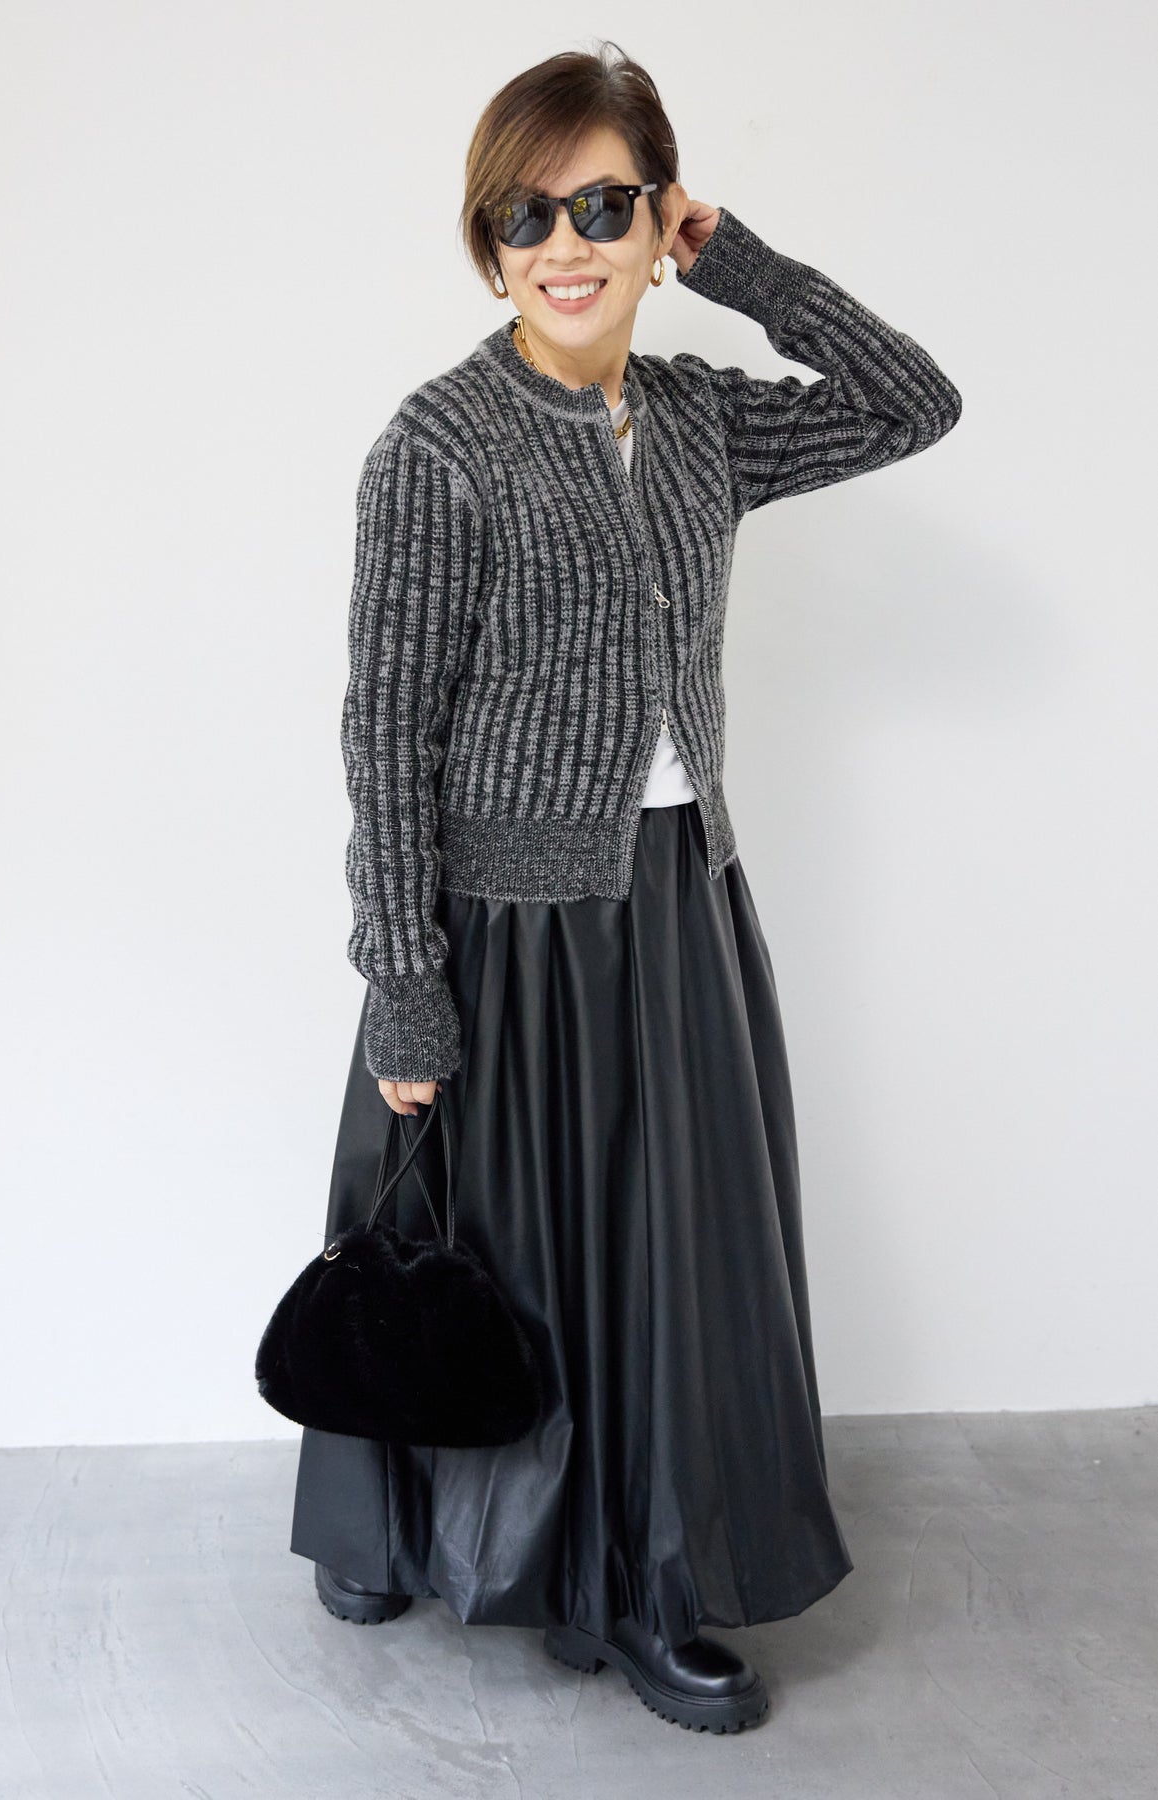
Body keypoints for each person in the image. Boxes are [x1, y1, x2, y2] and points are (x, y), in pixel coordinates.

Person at [289, 41, 961, 1734]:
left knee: (665, 1262)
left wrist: (744, 268)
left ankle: (652, 1581)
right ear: (488, 246)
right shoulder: (438, 445)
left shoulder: (701, 422)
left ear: (657, 218)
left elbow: (912, 402)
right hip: (498, 929)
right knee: (468, 1249)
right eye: (523, 217)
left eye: (602, 206)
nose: (563, 246)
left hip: (674, 897)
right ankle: (390, 1525)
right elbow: (384, 732)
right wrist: (405, 981)